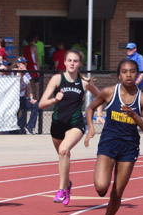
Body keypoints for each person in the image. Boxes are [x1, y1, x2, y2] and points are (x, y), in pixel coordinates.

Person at [84, 59, 143, 215]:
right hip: (108, 144)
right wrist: (91, 128)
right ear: (119, 74)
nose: (128, 75)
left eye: (132, 71)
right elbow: (90, 108)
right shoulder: (109, 92)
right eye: (124, 71)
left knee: (117, 191)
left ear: (137, 74)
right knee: (101, 188)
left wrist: (135, 116)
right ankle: (102, 176)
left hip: (129, 148)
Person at [39, 49, 103, 206]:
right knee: (63, 158)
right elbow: (41, 104)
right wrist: (55, 99)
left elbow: (100, 96)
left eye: (75, 61)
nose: (72, 63)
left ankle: (61, 190)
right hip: (57, 125)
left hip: (75, 125)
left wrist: (99, 114)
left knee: (63, 150)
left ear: (80, 63)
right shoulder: (57, 79)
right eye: (69, 61)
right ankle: (67, 185)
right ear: (65, 62)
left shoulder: (84, 82)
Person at [13, 57, 39, 134]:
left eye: (26, 63)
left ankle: (30, 126)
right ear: (18, 64)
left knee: (35, 105)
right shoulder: (14, 73)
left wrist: (31, 98)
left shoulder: (26, 73)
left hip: (23, 98)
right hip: (15, 99)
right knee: (20, 128)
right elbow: (19, 88)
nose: (25, 65)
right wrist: (21, 76)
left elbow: (29, 87)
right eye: (23, 63)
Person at [23, 35, 40, 99]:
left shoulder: (25, 48)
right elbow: (37, 59)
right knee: (37, 85)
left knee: (28, 85)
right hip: (33, 67)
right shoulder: (34, 47)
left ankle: (29, 99)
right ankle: (37, 100)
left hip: (27, 67)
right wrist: (38, 69)